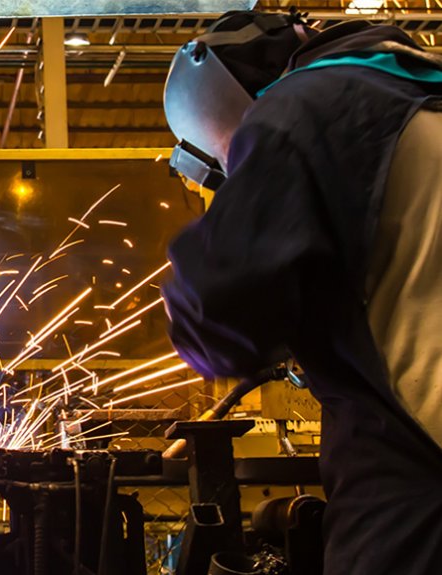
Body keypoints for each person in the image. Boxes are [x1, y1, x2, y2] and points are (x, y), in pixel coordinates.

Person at [160, 10, 442, 575]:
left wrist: (186, 290)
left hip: (421, 469)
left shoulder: (303, 107)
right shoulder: (412, 91)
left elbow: (221, 308)